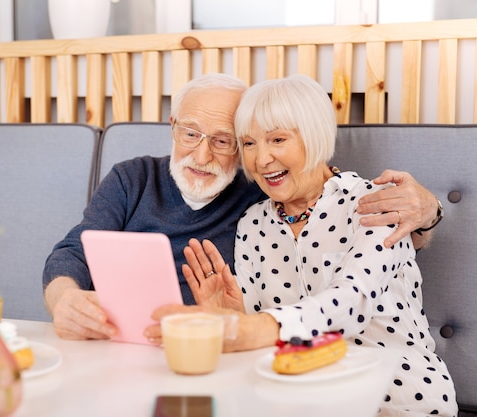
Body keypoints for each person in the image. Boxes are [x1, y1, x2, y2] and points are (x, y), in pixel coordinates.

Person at [43, 73, 441, 341]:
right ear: (172, 126)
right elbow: (72, 252)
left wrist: (428, 214)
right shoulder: (136, 179)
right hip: (126, 345)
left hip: (224, 356)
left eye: (224, 141)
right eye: (190, 133)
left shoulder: (264, 194)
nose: (202, 154)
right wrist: (65, 300)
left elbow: (374, 229)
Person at [145, 75, 456, 416]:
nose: (261, 159)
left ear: (315, 136)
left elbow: (352, 302)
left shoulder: (374, 203)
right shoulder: (253, 222)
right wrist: (235, 314)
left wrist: (250, 328)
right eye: (248, 144)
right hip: (302, 401)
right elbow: (264, 339)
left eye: (277, 139)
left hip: (398, 400)